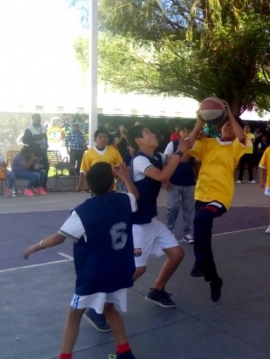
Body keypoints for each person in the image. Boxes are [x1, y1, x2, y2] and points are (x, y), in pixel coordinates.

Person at [22, 162, 138, 359]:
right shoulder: (125, 200)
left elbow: (58, 238)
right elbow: (135, 195)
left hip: (94, 274)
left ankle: (65, 356)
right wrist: (126, 177)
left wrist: (35, 246)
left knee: (74, 314)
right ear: (112, 183)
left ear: (89, 186)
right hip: (120, 268)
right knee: (109, 308)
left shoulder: (83, 212)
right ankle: (124, 352)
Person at [186, 107, 250, 302]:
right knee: (204, 240)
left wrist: (229, 113)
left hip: (220, 196)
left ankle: (200, 262)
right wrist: (199, 122)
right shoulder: (209, 143)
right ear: (220, 128)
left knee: (201, 220)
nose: (230, 127)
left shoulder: (236, 146)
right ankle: (214, 279)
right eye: (227, 125)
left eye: (233, 125)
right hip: (201, 194)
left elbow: (241, 138)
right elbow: (188, 144)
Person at [127, 125, 189, 306]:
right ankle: (100, 305)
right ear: (139, 141)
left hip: (150, 221)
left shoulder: (157, 157)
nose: (153, 133)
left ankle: (157, 290)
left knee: (177, 254)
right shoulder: (139, 160)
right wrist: (179, 153)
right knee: (137, 269)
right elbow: (163, 176)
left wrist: (199, 123)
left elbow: (183, 157)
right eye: (148, 132)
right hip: (137, 224)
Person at [164, 126, 197, 244]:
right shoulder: (172, 145)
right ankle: (168, 231)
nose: (187, 133)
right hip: (174, 182)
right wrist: (166, 179)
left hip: (189, 182)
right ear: (179, 133)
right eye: (184, 131)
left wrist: (197, 179)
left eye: (189, 130)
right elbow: (165, 162)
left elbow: (197, 164)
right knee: (173, 207)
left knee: (188, 209)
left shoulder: (195, 145)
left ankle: (186, 233)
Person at [77, 129, 123, 193]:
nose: (103, 139)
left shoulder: (114, 152)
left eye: (105, 137)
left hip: (110, 187)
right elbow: (83, 171)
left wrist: (121, 180)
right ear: (95, 140)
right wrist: (80, 186)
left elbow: (120, 167)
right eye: (100, 137)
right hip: (95, 188)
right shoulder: (89, 153)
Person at [22, 114, 49, 181]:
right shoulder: (29, 129)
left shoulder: (43, 128)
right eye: (36, 118)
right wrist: (35, 142)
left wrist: (46, 143)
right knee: (35, 168)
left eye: (39, 118)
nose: (38, 120)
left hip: (43, 151)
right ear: (33, 119)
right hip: (34, 152)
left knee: (46, 167)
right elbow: (25, 140)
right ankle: (34, 185)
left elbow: (45, 138)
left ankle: (43, 185)